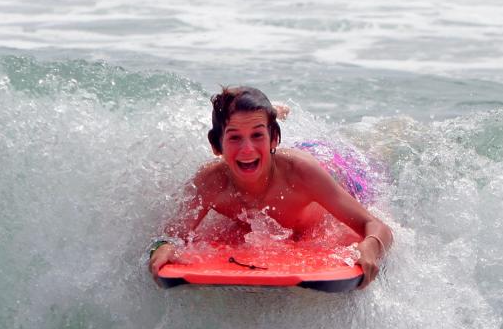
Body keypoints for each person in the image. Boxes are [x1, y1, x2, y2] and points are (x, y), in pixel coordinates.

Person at [148, 86, 393, 287]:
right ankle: (268, 115)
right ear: (216, 145)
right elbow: (169, 236)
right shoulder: (210, 183)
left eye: (257, 135)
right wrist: (163, 248)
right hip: (275, 154)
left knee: (374, 158)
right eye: (234, 137)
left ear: (274, 138)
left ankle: (273, 116)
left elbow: (376, 226)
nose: (246, 149)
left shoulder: (303, 174)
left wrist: (370, 246)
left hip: (335, 166)